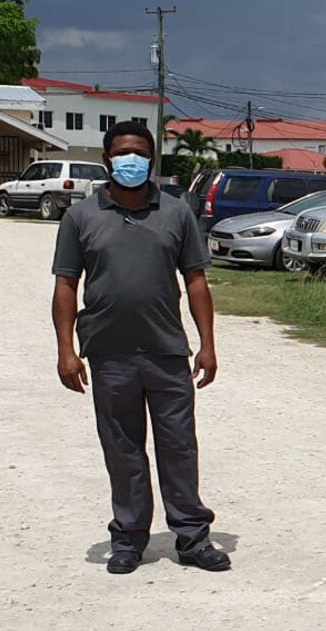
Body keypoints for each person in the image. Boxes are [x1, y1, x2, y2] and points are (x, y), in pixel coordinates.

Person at [51, 120, 230, 575]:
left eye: (140, 153)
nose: (131, 160)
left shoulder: (176, 213)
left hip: (168, 353)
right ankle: (129, 539)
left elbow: (196, 281)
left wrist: (207, 345)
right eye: (122, 153)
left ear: (151, 159)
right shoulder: (80, 217)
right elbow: (67, 285)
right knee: (122, 449)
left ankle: (191, 537)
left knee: (179, 447)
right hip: (109, 356)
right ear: (108, 159)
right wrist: (66, 350)